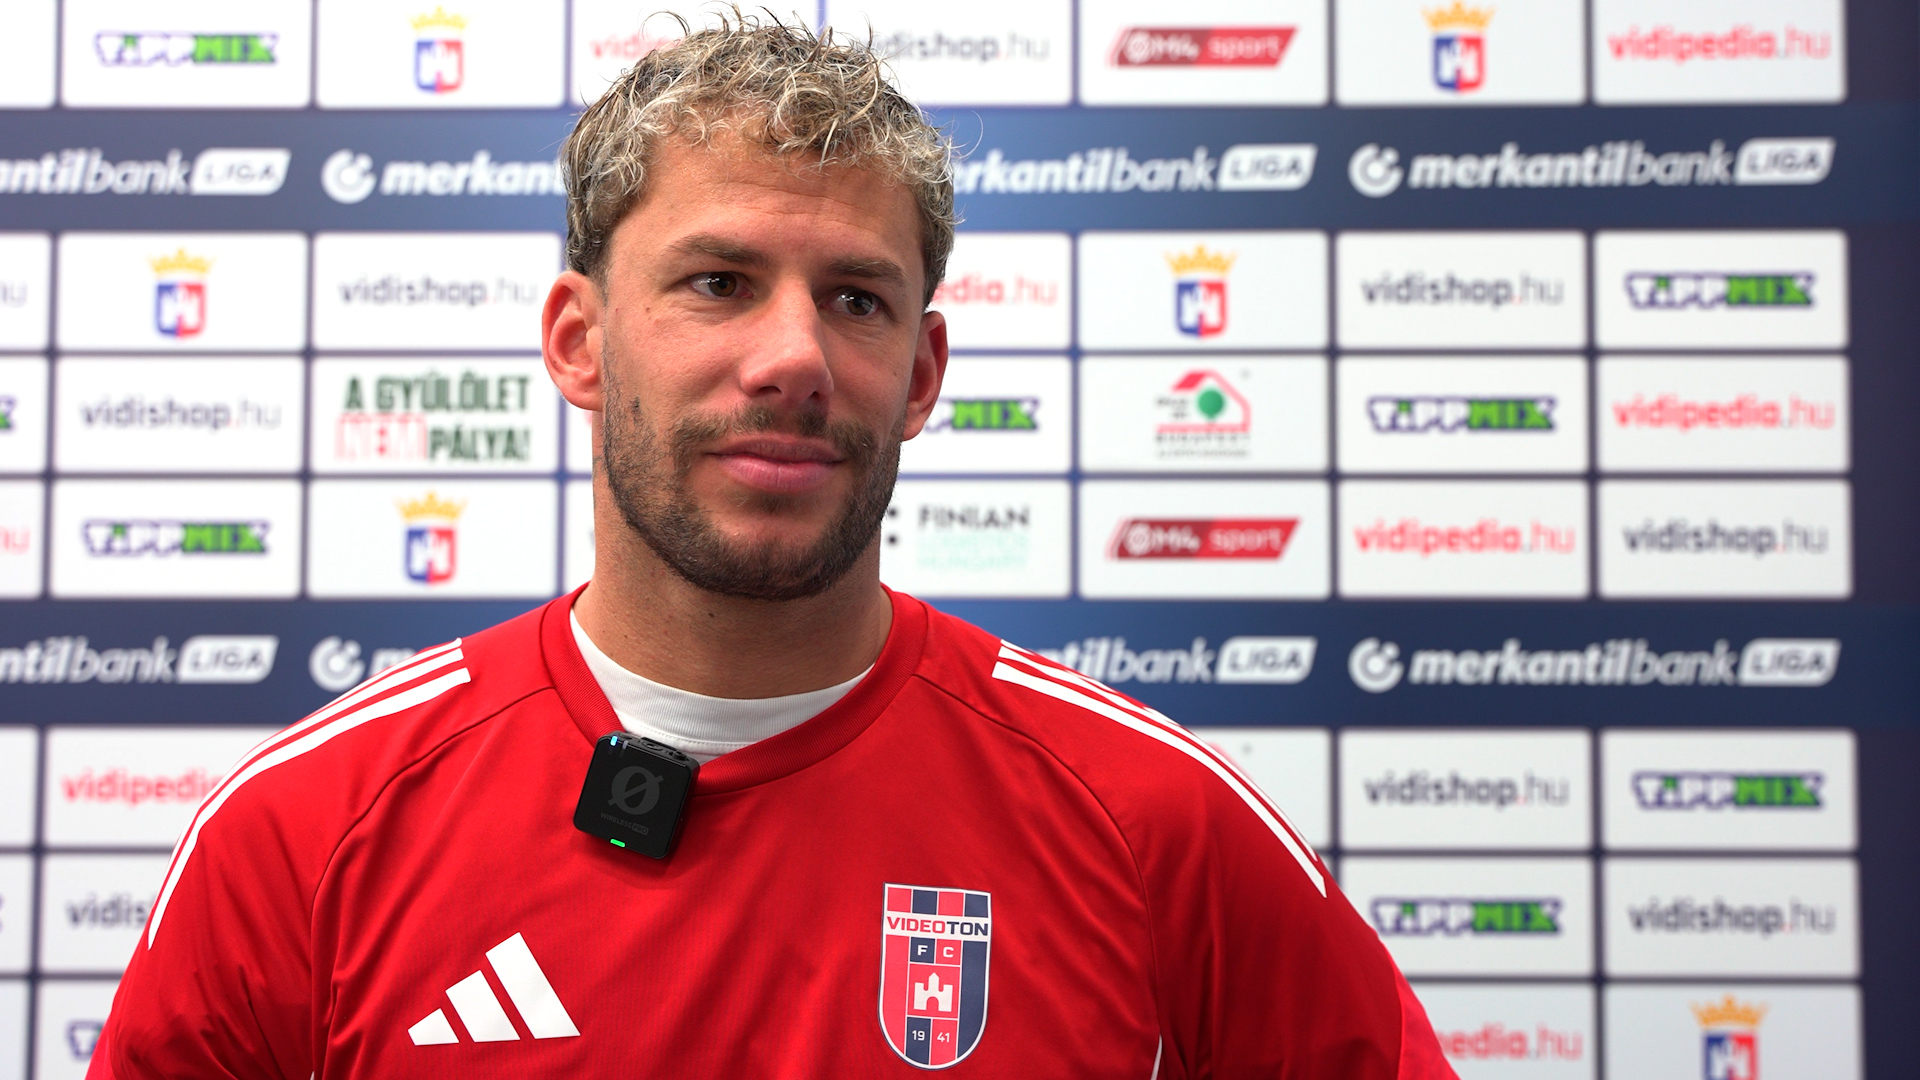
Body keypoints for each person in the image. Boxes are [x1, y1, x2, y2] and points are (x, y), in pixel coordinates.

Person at [94, 13, 1453, 1078]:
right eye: (719, 282)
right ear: (578, 341)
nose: (795, 355)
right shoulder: (305, 832)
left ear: (921, 374)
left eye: (856, 300)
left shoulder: (1157, 823)